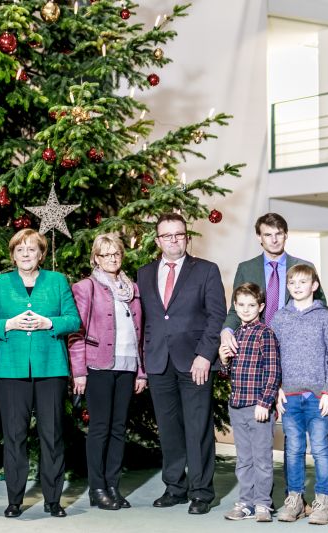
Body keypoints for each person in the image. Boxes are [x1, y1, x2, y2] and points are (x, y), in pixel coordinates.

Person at [0, 229, 81, 519]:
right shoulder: (1, 283)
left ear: (41, 254)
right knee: (14, 436)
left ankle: (53, 500)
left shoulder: (57, 281)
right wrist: (8, 324)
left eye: (32, 249)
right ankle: (14, 500)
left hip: (51, 368)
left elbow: (74, 320)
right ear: (13, 255)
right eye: (20, 250)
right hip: (11, 370)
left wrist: (50, 322)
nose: (26, 254)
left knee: (52, 435)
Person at [136, 213, 226, 515]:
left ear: (186, 237)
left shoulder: (206, 270)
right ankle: (174, 487)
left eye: (178, 234)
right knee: (168, 428)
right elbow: (145, 320)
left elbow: (217, 316)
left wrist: (205, 355)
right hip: (159, 361)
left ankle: (201, 492)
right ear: (157, 240)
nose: (173, 240)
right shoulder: (144, 273)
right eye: (167, 235)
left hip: (196, 362)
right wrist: (144, 361)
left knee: (198, 428)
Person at [68, 233, 147, 511]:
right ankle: (97, 487)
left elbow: (140, 333)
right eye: (106, 254)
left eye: (116, 253)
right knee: (100, 428)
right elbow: (76, 332)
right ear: (96, 258)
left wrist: (141, 371)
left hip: (127, 365)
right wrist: (79, 371)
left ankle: (113, 485)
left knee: (118, 428)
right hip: (98, 365)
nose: (112, 258)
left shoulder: (132, 288)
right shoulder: (86, 287)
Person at [271, 264, 328, 526]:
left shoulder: (325, 317)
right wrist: (277, 388)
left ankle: (322, 501)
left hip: (317, 397)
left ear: (314, 286)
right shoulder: (280, 318)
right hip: (289, 396)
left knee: (320, 448)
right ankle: (295, 499)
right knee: (293, 449)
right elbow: (272, 356)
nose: (297, 287)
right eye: (292, 283)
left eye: (303, 282)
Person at [219, 212, 328, 355]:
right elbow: (235, 309)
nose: (274, 240)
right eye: (268, 235)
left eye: (278, 234)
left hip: (295, 347)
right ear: (259, 237)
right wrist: (226, 331)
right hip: (257, 347)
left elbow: (321, 306)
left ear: (286, 235)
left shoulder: (305, 267)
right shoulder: (246, 269)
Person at [218, 283, 281, 522]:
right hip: (237, 406)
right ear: (235, 306)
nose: (246, 309)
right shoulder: (235, 335)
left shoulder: (265, 334)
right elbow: (229, 374)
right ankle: (246, 503)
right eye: (241, 305)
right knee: (244, 460)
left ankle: (263, 503)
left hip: (258, 407)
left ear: (261, 307)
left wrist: (265, 403)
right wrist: (224, 361)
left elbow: (273, 372)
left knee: (261, 459)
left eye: (251, 305)